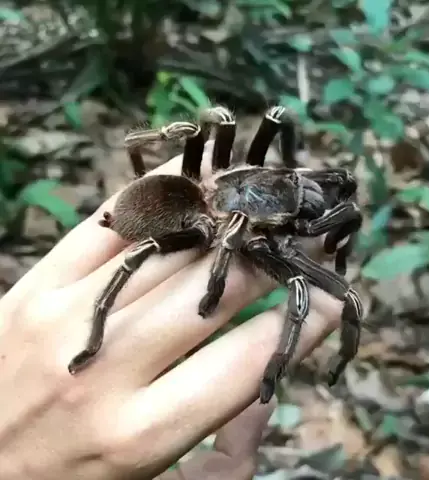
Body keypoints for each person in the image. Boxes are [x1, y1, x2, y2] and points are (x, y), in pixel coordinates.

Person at [0, 141, 343, 479]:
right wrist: (214, 286)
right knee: (142, 252)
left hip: (192, 197)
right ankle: (96, 335)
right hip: (184, 210)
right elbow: (229, 240)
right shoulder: (229, 224)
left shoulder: (228, 178)